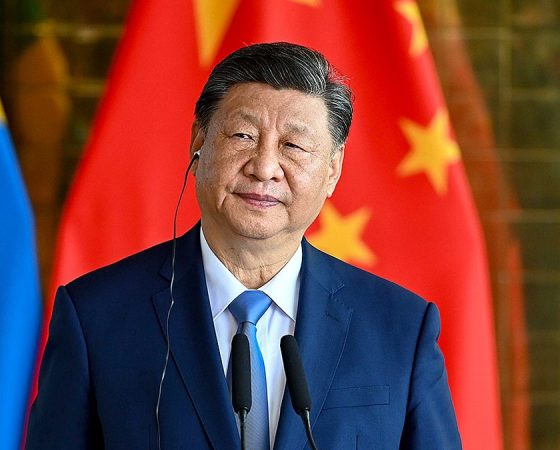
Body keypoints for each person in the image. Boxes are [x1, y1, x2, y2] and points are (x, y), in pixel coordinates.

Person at [26, 42, 461, 449]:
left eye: (293, 145)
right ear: (199, 143)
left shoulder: (400, 327)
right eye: (242, 136)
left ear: (332, 170)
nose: (264, 167)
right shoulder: (96, 316)